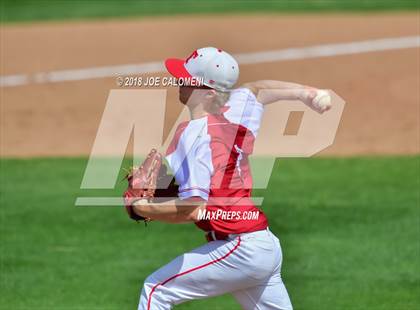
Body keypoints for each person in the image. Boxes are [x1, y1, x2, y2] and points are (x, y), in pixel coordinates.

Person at [132, 47, 330, 310]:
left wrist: (141, 207)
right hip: (264, 246)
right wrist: (308, 93)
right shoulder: (233, 110)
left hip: (240, 248)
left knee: (155, 290)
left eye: (188, 80)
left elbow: (194, 209)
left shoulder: (194, 135)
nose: (179, 82)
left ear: (210, 93)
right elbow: (258, 90)